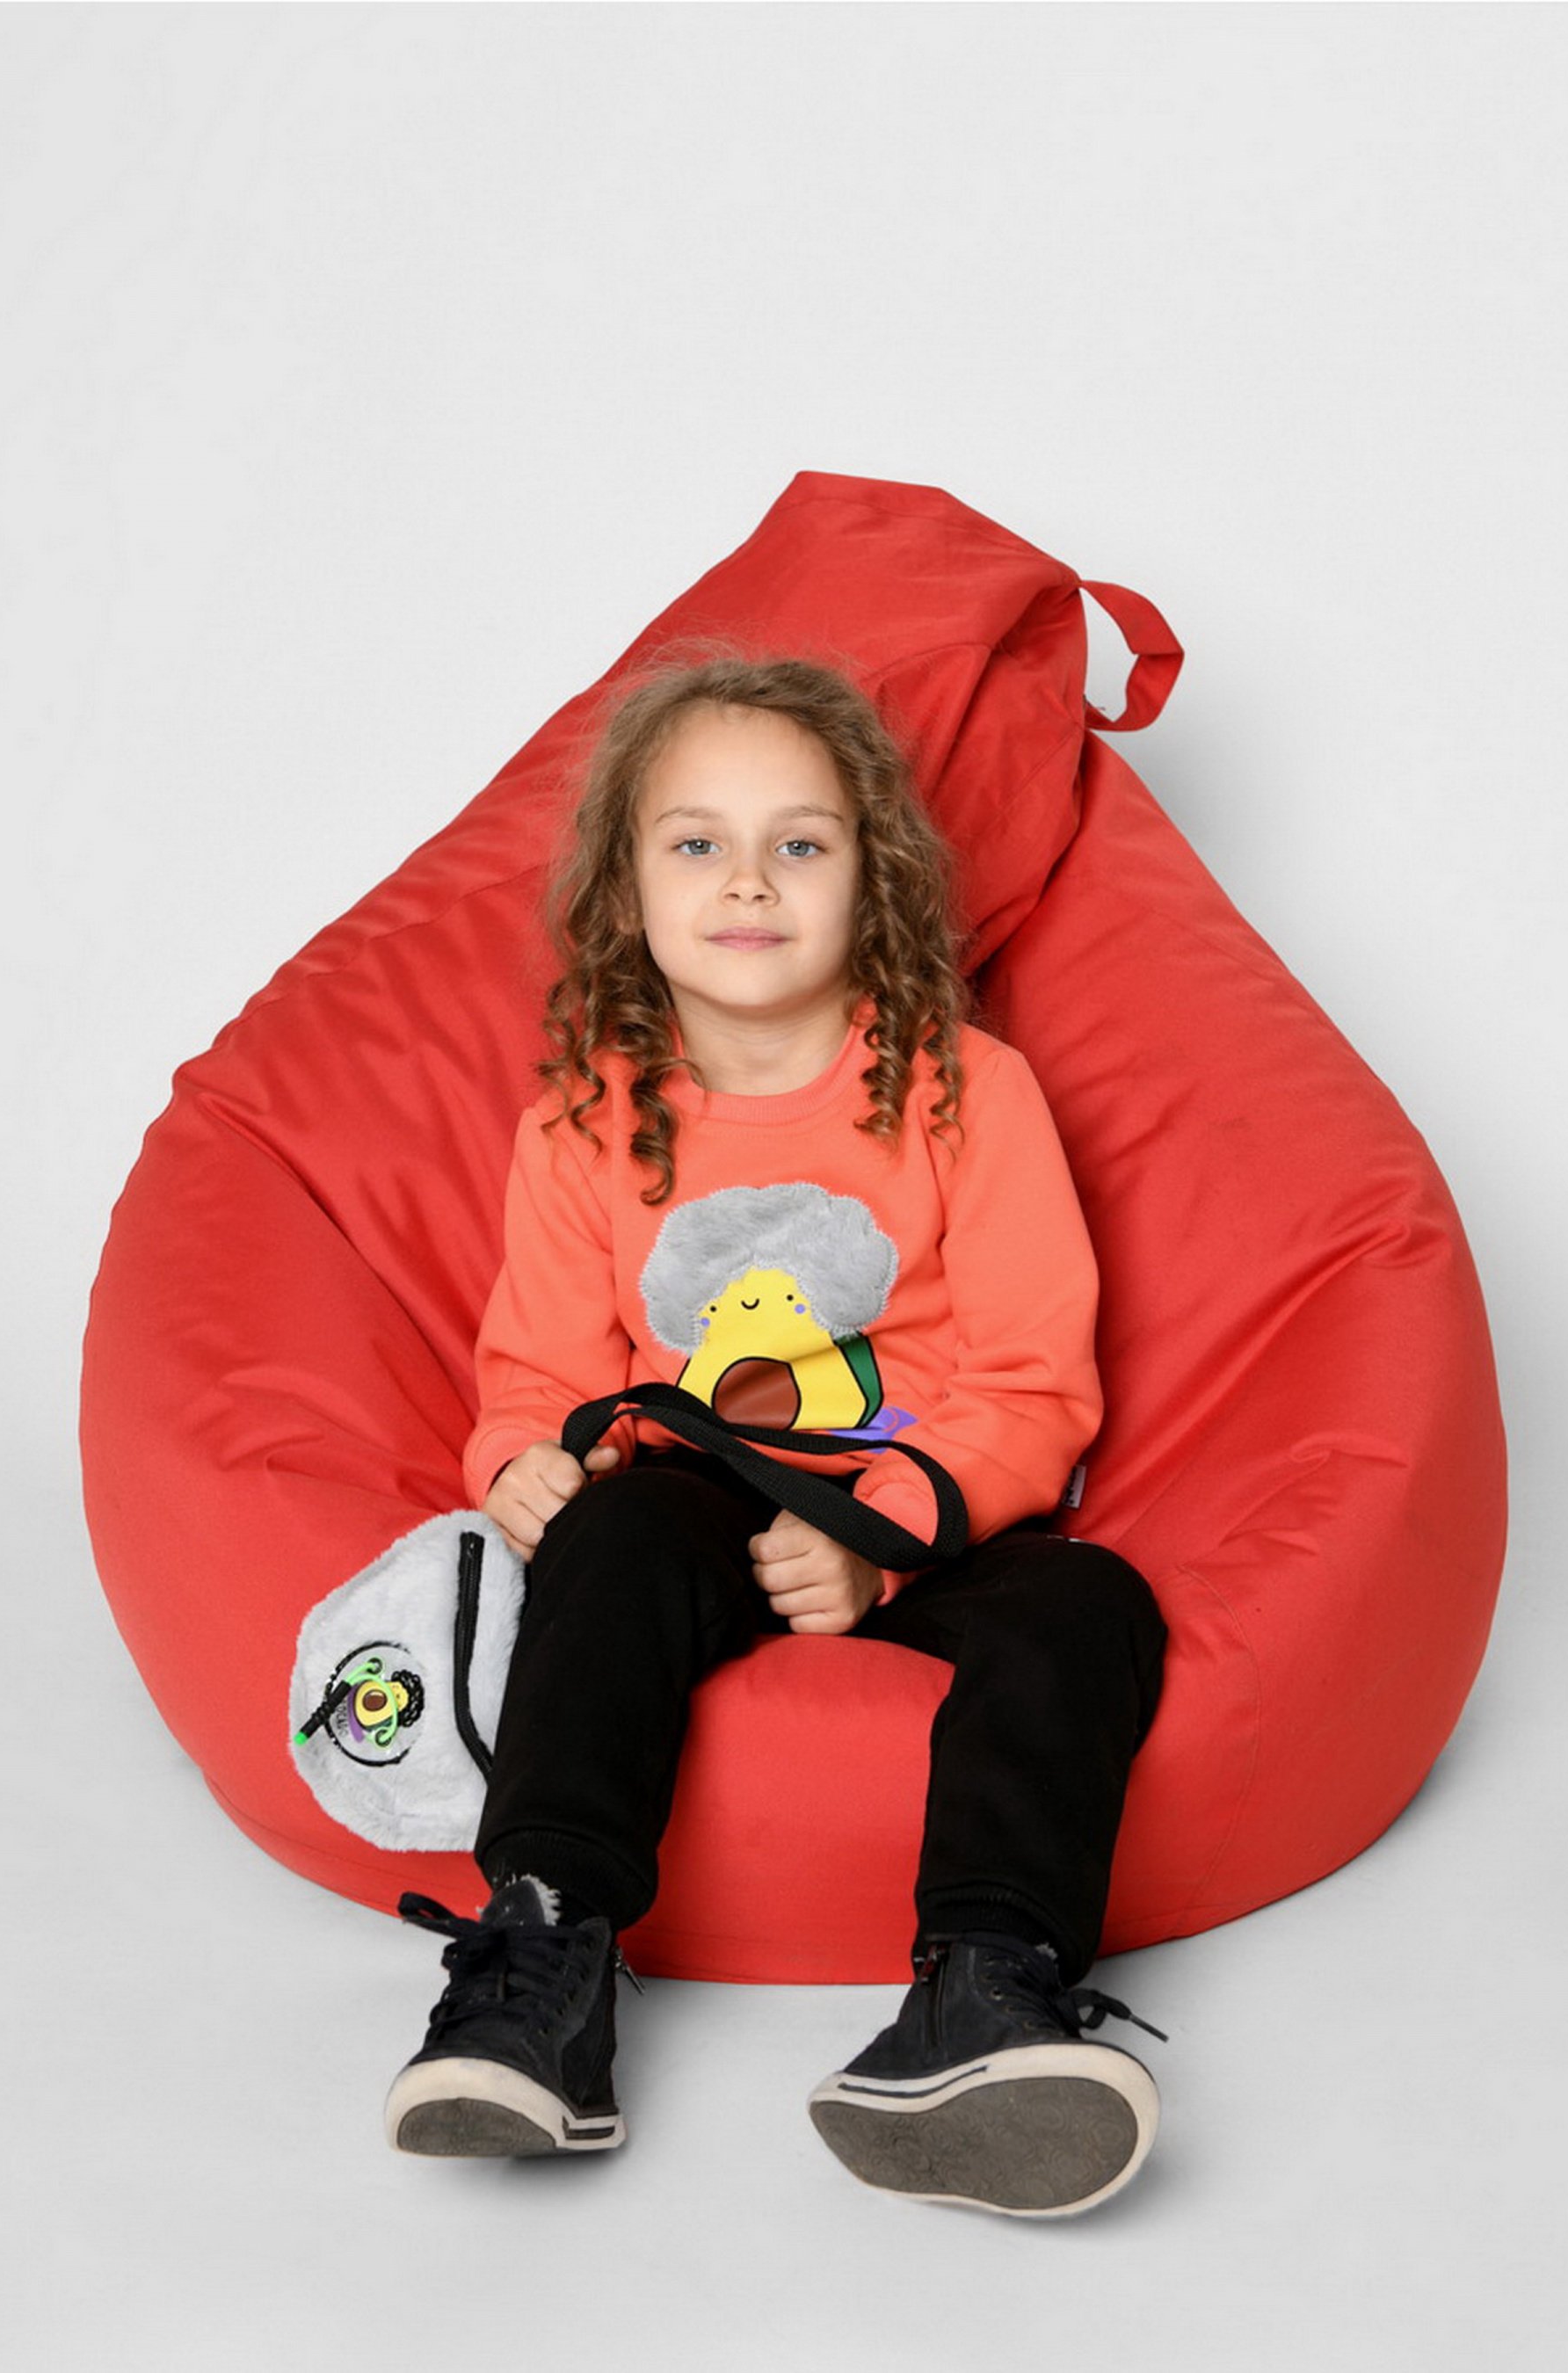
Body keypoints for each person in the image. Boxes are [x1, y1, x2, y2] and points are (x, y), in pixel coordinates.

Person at [384, 651, 1170, 2217]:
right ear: (627, 888)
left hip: (927, 1506)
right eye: (697, 843)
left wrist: (878, 1542)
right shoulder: (581, 1122)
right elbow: (536, 1375)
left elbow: (1034, 1383)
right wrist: (519, 1462)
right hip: (696, 1490)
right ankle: (543, 1950)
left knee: (1092, 1605)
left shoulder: (966, 1090)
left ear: (870, 881)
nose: (747, 881)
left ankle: (984, 1987)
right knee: (609, 1530)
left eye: (798, 843)